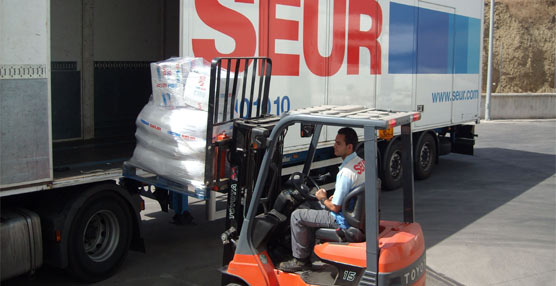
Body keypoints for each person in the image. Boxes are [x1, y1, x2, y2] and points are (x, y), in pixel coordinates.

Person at [278, 127, 365, 272]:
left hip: (341, 219)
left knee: (297, 215)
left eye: (338, 143)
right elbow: (353, 191)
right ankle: (309, 248)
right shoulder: (360, 163)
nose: (334, 146)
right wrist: (336, 196)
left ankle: (301, 260)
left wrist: (323, 198)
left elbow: (335, 208)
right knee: (312, 205)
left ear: (349, 147)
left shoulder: (346, 172)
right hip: (353, 213)